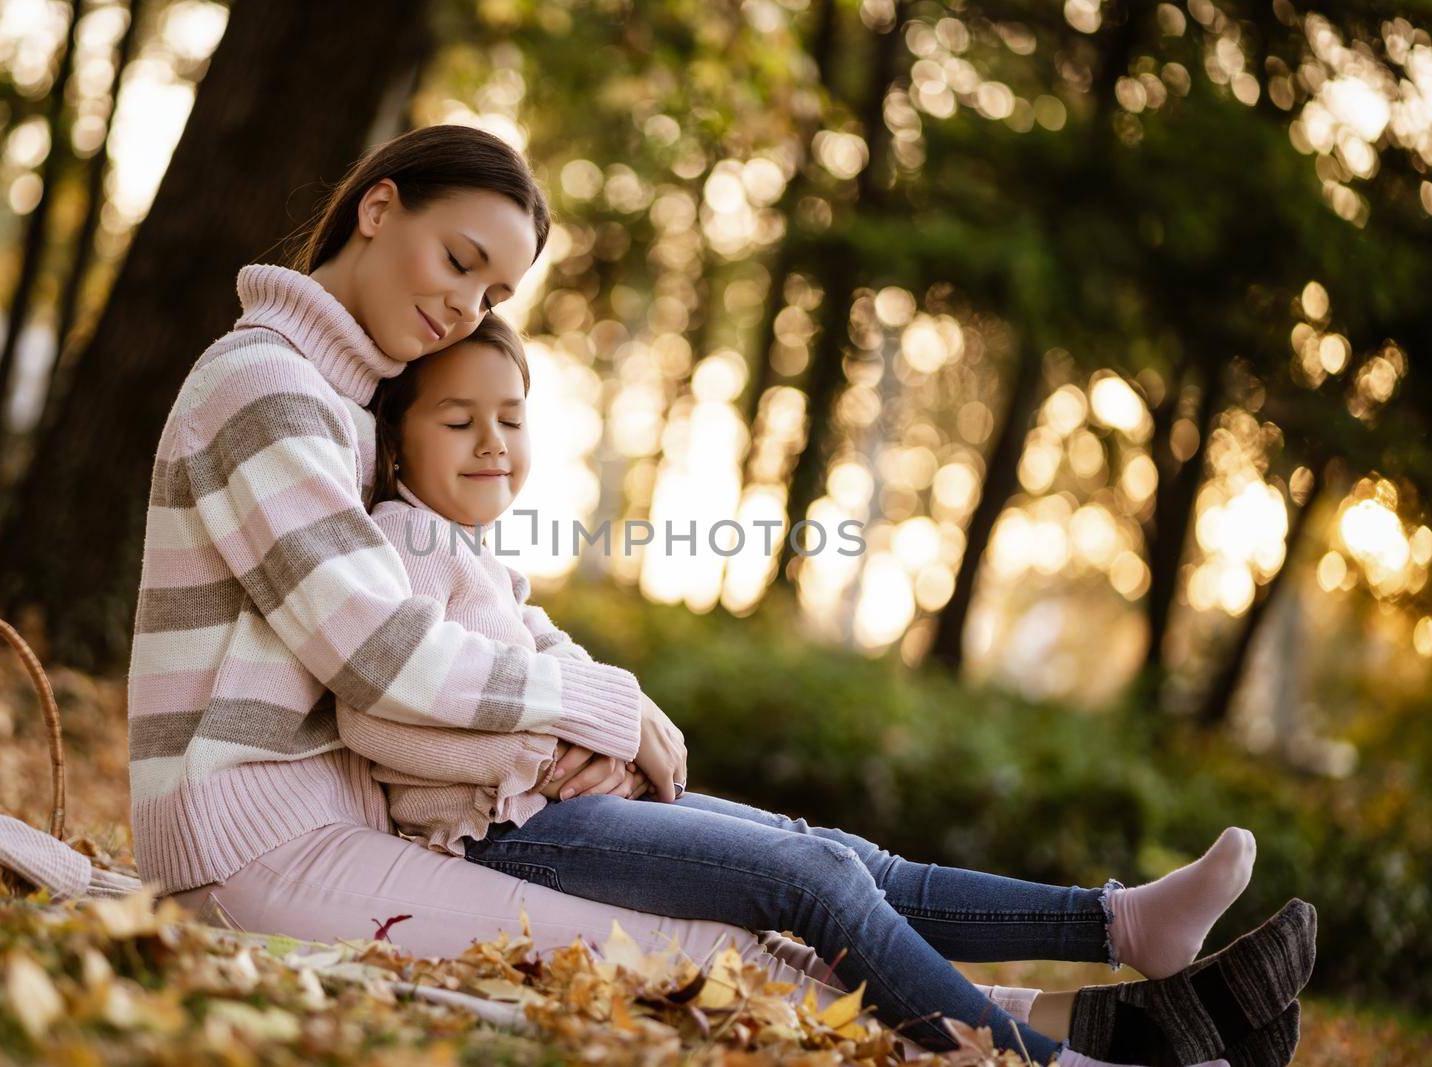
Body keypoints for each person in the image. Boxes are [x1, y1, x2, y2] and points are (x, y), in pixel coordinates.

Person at [131, 125, 1313, 1066]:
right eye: (458, 260)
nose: (464, 307)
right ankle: (1048, 1045)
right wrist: (601, 712)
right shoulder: (269, 389)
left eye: (493, 294)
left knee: (802, 875)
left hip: (360, 813)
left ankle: (1107, 1007)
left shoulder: (347, 406)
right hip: (260, 850)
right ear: (377, 205)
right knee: (713, 939)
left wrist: (582, 712)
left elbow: (456, 635)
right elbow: (383, 659)